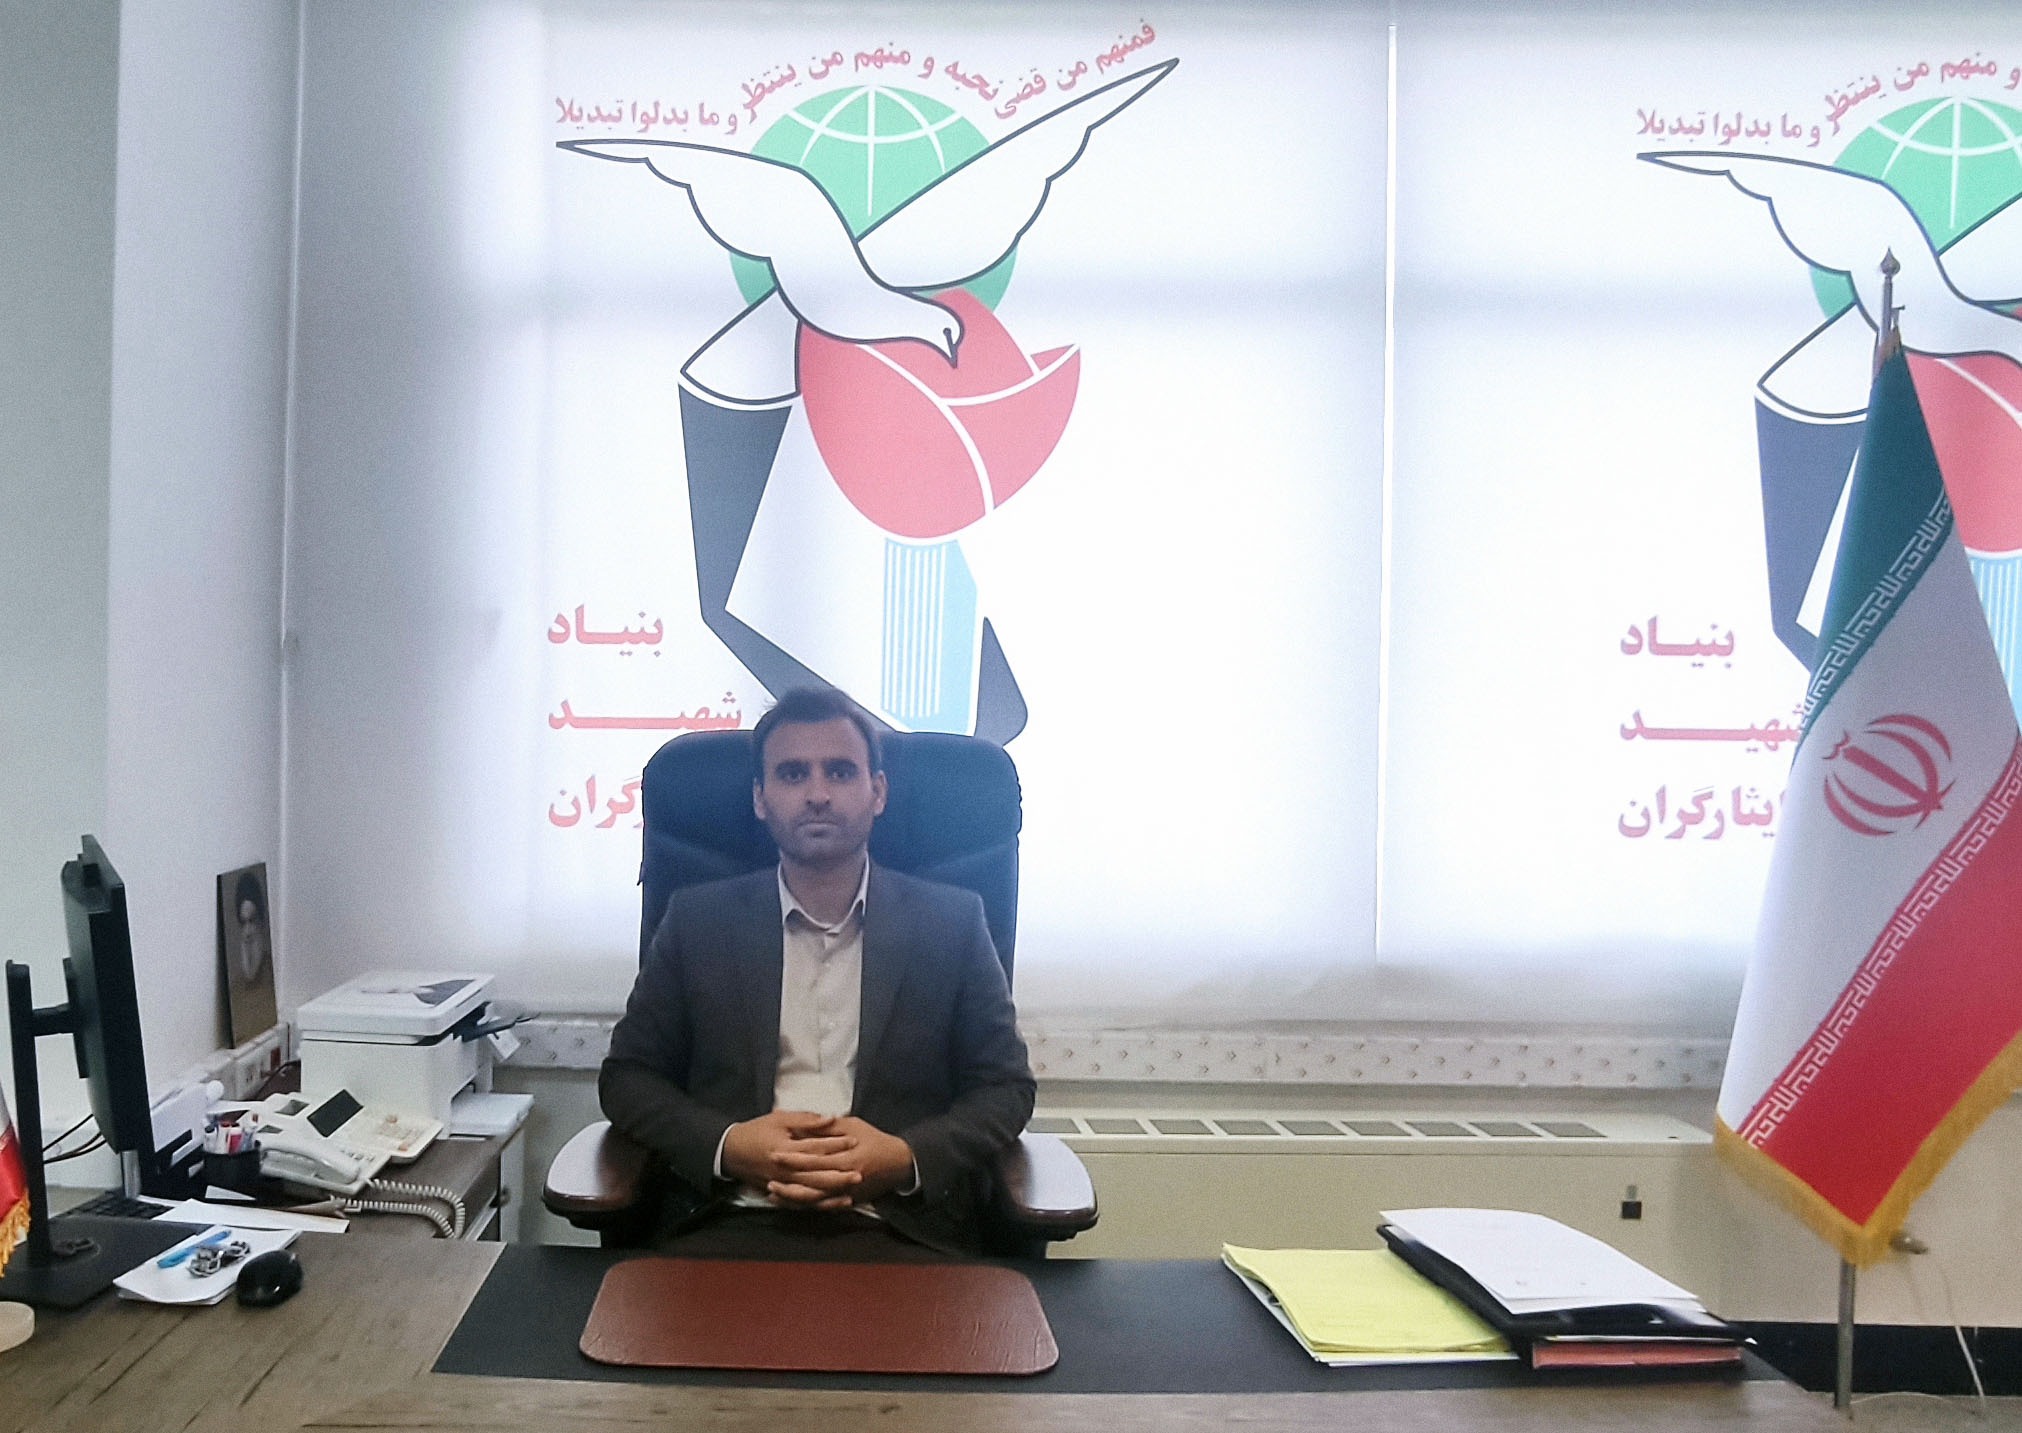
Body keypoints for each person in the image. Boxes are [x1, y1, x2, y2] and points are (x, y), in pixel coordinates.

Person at [599, 686, 1035, 1258]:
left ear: (878, 792)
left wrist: (903, 1157)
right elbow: (628, 1078)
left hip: (901, 1229)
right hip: (727, 1221)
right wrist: (730, 1146)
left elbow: (1005, 1088)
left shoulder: (952, 923)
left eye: (840, 772)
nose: (818, 794)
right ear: (760, 799)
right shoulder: (697, 921)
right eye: (792, 774)